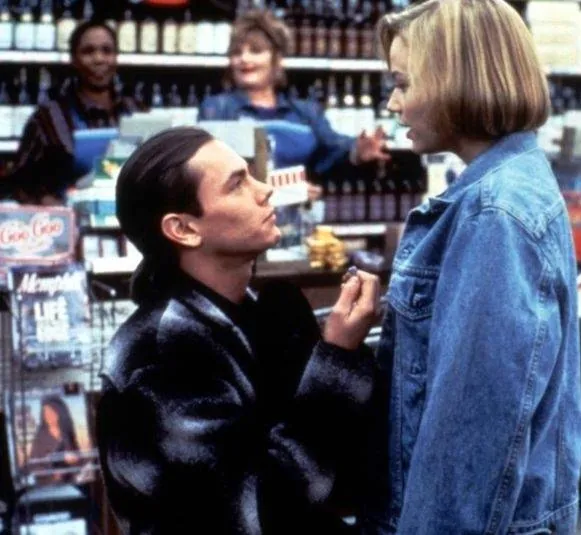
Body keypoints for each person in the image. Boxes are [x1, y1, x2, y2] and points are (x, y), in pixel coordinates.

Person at [362, 1, 581, 534]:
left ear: (454, 81)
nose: (393, 103)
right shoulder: (513, 185)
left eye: (403, 83)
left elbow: (469, 438)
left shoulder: (495, 214)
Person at [96, 126, 382, 534]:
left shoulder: (258, 316)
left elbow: (346, 477)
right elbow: (260, 511)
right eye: (236, 185)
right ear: (183, 229)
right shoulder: (163, 354)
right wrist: (337, 361)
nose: (265, 190)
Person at [197, 9, 389, 191]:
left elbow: (333, 148)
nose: (244, 58)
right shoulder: (216, 109)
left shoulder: (305, 112)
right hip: (242, 214)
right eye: (237, 52)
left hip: (298, 214)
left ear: (277, 59)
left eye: (255, 51)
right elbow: (213, 173)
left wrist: (358, 151)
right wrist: (286, 190)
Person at [2, 20, 143, 206]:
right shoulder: (48, 118)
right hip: (67, 219)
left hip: (126, 219)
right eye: (88, 51)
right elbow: (20, 183)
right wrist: (48, 203)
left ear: (116, 58)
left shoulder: (135, 110)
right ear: (74, 60)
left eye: (107, 50)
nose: (99, 58)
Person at [28, 395, 82, 485]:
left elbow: (79, 459)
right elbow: (34, 466)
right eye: (45, 412)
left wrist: (75, 460)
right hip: (48, 486)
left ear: (59, 412)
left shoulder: (67, 433)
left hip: (70, 483)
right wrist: (52, 473)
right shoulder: (40, 437)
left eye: (51, 412)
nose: (47, 415)